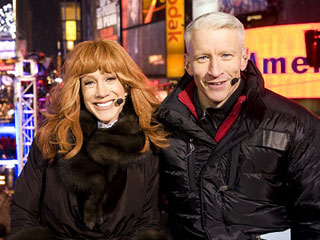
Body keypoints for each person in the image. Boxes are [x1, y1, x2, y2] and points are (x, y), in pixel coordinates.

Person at [158, 12, 320, 240]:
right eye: (203, 58)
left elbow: (314, 220)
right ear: (188, 63)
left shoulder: (297, 124)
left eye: (226, 55)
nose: (215, 71)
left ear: (243, 58)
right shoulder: (163, 123)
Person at [10, 39, 169, 240]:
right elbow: (23, 214)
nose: (101, 92)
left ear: (126, 86)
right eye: (90, 82)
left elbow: (148, 222)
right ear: (79, 90)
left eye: (110, 79)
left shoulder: (146, 142)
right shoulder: (52, 138)